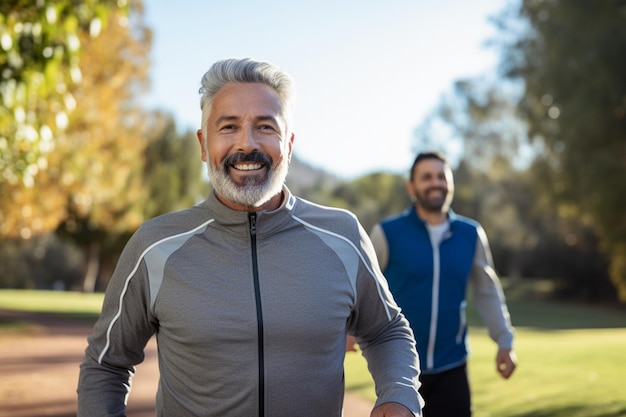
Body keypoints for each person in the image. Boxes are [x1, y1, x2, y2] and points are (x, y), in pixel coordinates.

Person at [76, 58, 424, 417]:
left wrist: (399, 394)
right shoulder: (155, 245)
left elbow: (386, 330)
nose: (247, 143)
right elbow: (106, 364)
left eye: (265, 127)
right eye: (228, 127)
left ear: (288, 143)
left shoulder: (343, 235)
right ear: (203, 144)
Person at [365, 151, 517, 416]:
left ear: (451, 184)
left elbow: (487, 291)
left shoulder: (470, 234)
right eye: (426, 177)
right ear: (412, 187)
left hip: (453, 365)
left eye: (441, 177)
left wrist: (504, 341)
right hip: (400, 370)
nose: (435, 183)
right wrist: (348, 330)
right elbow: (362, 286)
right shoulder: (387, 233)